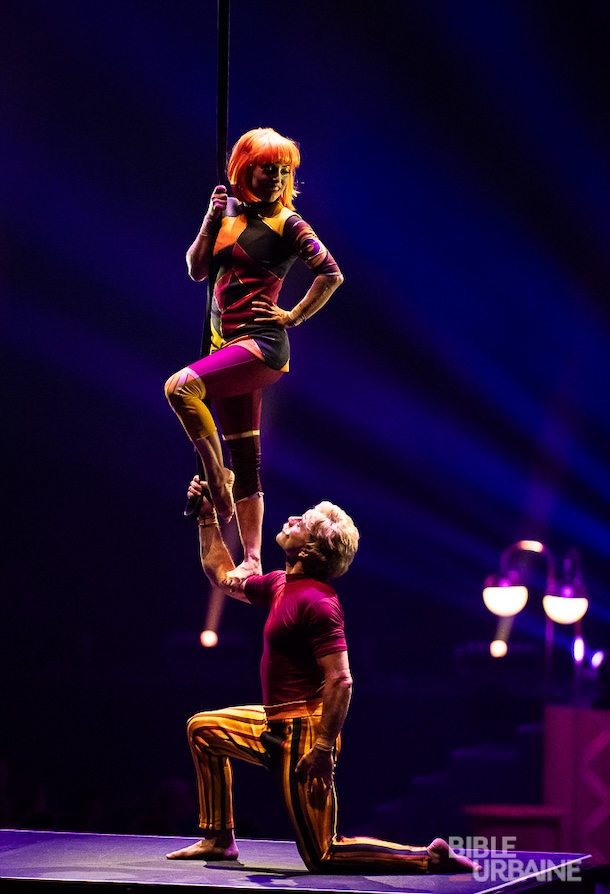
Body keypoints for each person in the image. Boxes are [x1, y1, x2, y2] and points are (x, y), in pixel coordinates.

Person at [165, 477, 480, 874]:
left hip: (306, 733)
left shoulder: (319, 603)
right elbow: (222, 577)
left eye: (304, 522)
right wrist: (207, 517)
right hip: (274, 721)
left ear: (310, 548)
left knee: (322, 854)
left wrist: (323, 748)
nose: (293, 517)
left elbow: (342, 680)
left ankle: (426, 857)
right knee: (203, 730)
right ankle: (219, 839)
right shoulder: (281, 584)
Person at [164, 127, 344, 584]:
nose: (278, 179)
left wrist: (294, 315)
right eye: (269, 169)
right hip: (227, 346)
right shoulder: (229, 215)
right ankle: (252, 560)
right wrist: (209, 221)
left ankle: (216, 480)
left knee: (182, 387)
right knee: (248, 459)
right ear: (247, 168)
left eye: (284, 171)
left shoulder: (289, 223)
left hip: (260, 346)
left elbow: (330, 273)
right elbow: (196, 269)